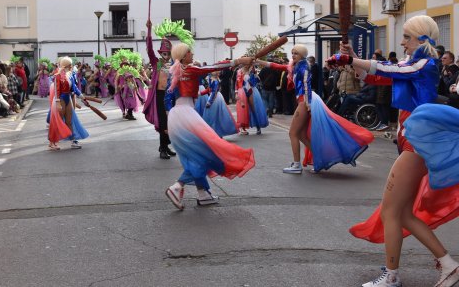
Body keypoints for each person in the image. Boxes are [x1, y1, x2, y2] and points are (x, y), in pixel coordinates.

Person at [331, 15, 459, 287]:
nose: (402, 42)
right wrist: (353, 57)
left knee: (391, 212)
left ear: (421, 37)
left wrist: (350, 60)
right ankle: (449, 265)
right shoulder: (414, 62)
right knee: (403, 213)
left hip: (418, 143)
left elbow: (391, 70)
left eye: (407, 36)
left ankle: (392, 275)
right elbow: (380, 74)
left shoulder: (425, 63)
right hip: (411, 140)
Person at [164, 44, 255, 210]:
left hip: (176, 116)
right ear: (184, 56)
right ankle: (177, 186)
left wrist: (169, 119)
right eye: (189, 52)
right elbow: (213, 67)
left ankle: (203, 194)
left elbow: (167, 99)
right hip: (186, 114)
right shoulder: (190, 70)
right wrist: (239, 60)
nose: (192, 54)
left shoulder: (174, 72)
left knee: (195, 155)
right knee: (206, 153)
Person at [257, 44, 373, 174]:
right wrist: (259, 62)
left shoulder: (303, 67)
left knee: (293, 133)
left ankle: (297, 165)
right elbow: (278, 66)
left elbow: (306, 85)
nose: (293, 55)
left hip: (305, 102)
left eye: (296, 53)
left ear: (302, 55)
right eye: (292, 52)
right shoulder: (296, 66)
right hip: (305, 101)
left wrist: (308, 105)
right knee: (301, 134)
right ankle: (319, 159)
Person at [143, 18, 176, 159]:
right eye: (164, 53)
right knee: (163, 122)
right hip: (159, 95)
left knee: (171, 122)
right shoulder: (156, 63)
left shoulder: (174, 63)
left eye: (168, 53)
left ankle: (165, 146)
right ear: (160, 53)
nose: (166, 56)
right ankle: (163, 148)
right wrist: (149, 31)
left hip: (171, 96)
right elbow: (149, 49)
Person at [48, 57, 89, 150]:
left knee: (69, 121)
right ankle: (52, 142)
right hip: (60, 99)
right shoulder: (57, 76)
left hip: (68, 98)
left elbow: (74, 88)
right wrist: (58, 102)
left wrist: (82, 97)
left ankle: (73, 140)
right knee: (57, 121)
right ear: (65, 66)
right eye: (70, 65)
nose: (72, 66)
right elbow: (56, 89)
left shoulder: (70, 75)